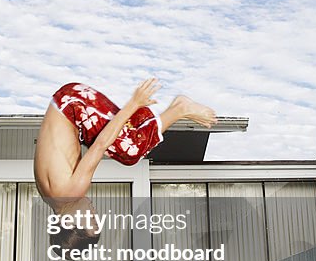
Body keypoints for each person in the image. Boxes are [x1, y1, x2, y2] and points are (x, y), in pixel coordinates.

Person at [34, 79, 217, 251]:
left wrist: (134, 102)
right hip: (66, 103)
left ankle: (180, 108)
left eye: (91, 219)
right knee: (120, 143)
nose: (94, 212)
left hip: (72, 103)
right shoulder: (48, 195)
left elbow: (100, 144)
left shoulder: (71, 193)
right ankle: (176, 108)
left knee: (130, 152)